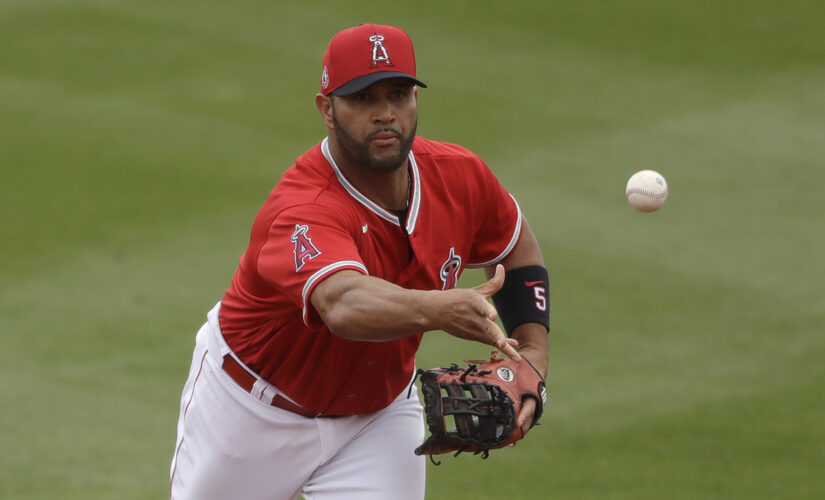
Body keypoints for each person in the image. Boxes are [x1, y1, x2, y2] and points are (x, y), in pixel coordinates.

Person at [170, 23, 550, 500]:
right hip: (252, 413)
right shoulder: (303, 206)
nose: (385, 114)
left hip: (378, 418)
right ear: (327, 109)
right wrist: (439, 308)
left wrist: (533, 356)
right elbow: (343, 303)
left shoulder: (460, 176)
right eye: (363, 99)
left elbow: (517, 245)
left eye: (398, 93)